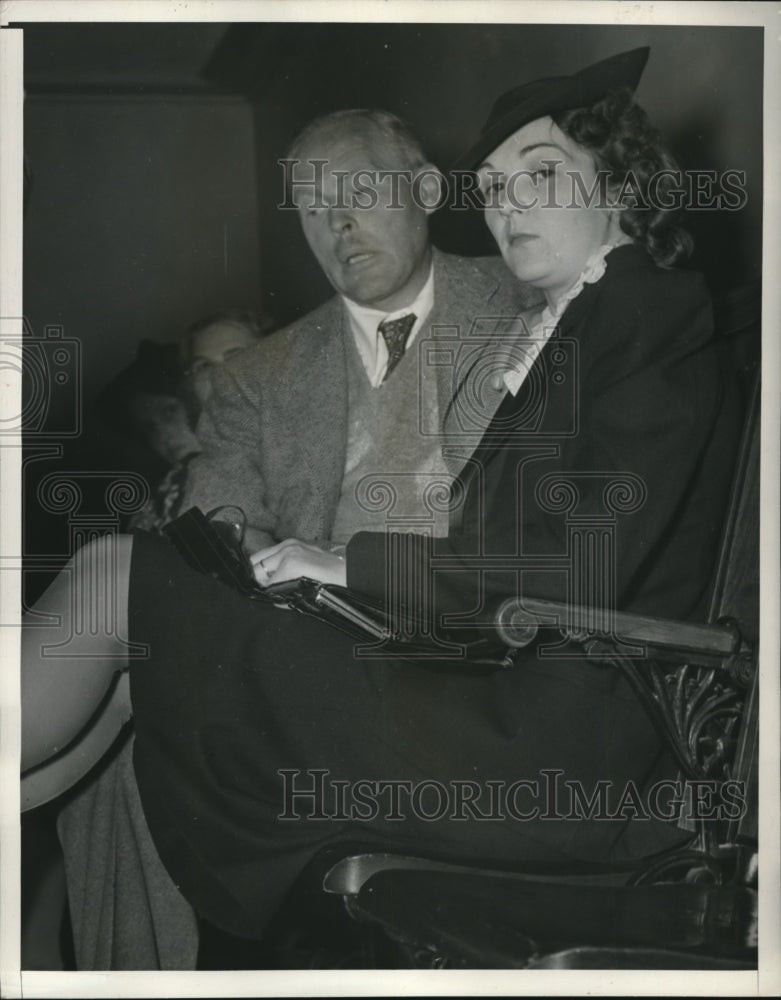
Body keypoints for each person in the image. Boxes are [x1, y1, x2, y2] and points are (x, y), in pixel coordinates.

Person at [22, 48, 740, 961]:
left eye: (541, 175)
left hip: (543, 745)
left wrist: (341, 563)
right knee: (129, 633)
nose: (508, 204)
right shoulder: (585, 323)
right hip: (494, 688)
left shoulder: (641, 313)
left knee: (117, 581)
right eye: (494, 187)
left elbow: (558, 565)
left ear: (617, 178)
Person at [180, 109, 537, 553]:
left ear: (426, 190)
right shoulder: (253, 379)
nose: (338, 223)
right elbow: (218, 521)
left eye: (361, 191)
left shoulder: (531, 301)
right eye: (313, 208)